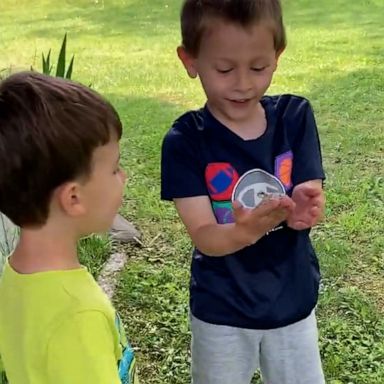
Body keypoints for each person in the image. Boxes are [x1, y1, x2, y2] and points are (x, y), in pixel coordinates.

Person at [161, 1, 326, 383]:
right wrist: (244, 230)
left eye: (258, 67)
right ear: (190, 61)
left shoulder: (294, 117)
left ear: (277, 56)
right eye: (224, 69)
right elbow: (205, 235)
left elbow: (307, 191)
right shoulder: (186, 141)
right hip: (222, 310)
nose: (243, 83)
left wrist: (304, 209)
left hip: (292, 301)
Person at [0, 71, 138, 384]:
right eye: (115, 168)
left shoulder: (17, 276)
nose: (124, 176)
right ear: (73, 198)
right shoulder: (77, 315)